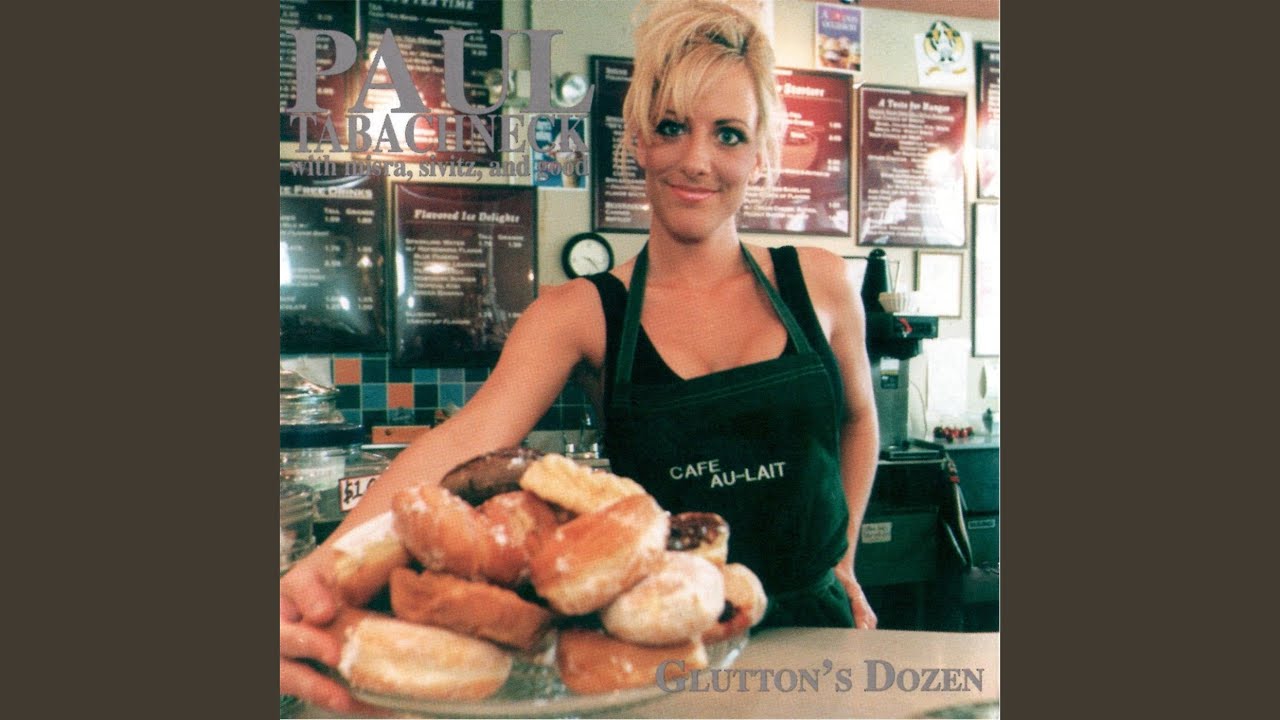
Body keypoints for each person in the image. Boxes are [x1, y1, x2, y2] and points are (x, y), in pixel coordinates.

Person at [280, 0, 879, 712]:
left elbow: (859, 420)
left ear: (760, 153)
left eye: (729, 134)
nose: (697, 159)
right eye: (672, 127)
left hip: (819, 636)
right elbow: (466, 440)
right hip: (656, 653)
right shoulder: (581, 313)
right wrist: (317, 572)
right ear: (638, 142)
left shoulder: (821, 283)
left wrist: (843, 557)